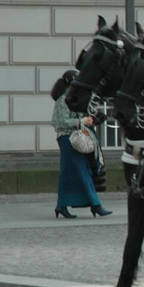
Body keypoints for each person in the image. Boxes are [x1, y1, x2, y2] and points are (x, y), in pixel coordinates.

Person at [50, 70, 111, 219]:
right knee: (82, 171)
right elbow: (59, 122)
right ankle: (95, 204)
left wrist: (92, 118)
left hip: (74, 138)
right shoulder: (63, 100)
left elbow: (81, 115)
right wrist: (81, 122)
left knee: (68, 173)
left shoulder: (73, 98)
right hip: (68, 139)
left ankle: (61, 205)